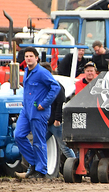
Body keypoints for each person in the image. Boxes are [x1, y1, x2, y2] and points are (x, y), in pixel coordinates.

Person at [14, 47, 61, 180]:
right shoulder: (27, 71)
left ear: (36, 58)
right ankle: (34, 163)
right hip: (26, 110)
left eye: (31, 56)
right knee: (18, 135)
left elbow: (55, 87)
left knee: (38, 141)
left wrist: (44, 103)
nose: (28, 58)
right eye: (26, 56)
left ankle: (41, 171)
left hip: (38, 112)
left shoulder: (41, 72)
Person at [40, 62, 77, 160]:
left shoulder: (57, 86)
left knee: (65, 147)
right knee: (38, 144)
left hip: (55, 123)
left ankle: (76, 166)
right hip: (46, 122)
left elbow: (60, 102)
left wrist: (57, 119)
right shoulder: (42, 86)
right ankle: (32, 169)